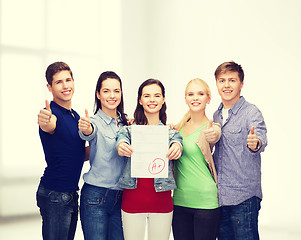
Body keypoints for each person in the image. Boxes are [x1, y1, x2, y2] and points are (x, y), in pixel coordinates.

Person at [116, 79, 182, 240]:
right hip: (132, 202)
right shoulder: (128, 131)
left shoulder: (171, 133)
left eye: (157, 95)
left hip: (162, 203)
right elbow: (121, 140)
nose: (152, 100)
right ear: (140, 100)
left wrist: (177, 147)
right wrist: (122, 146)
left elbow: (177, 142)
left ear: (163, 99)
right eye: (147, 96)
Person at [213, 61, 267, 240]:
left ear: (241, 84)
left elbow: (260, 138)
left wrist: (255, 143)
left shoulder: (251, 112)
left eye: (232, 80)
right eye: (222, 80)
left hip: (244, 198)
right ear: (217, 84)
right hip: (221, 198)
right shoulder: (216, 115)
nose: (226, 85)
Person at [36, 61, 88, 240]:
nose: (65, 86)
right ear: (49, 87)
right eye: (59, 82)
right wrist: (45, 121)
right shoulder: (50, 114)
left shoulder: (75, 116)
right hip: (55, 194)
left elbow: (77, 153)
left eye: (68, 80)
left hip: (71, 194)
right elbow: (49, 125)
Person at [78, 71, 128, 240]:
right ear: (98, 94)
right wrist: (85, 129)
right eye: (106, 91)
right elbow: (88, 132)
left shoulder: (127, 124)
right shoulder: (93, 122)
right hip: (95, 197)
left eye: (116, 91)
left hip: (122, 197)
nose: (112, 96)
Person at [172, 78, 222, 240]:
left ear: (208, 99)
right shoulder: (177, 129)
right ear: (185, 99)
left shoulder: (211, 127)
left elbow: (215, 134)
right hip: (179, 201)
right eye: (190, 94)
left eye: (200, 94)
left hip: (206, 203)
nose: (195, 98)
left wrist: (213, 134)